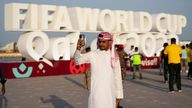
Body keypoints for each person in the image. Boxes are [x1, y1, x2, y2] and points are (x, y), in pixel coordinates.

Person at [74, 32, 123, 108]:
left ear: (110, 42)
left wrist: (118, 96)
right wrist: (78, 48)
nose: (101, 44)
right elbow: (77, 61)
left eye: (104, 42)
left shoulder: (114, 56)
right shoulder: (93, 54)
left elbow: (118, 77)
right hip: (96, 95)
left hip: (110, 95)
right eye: (99, 41)